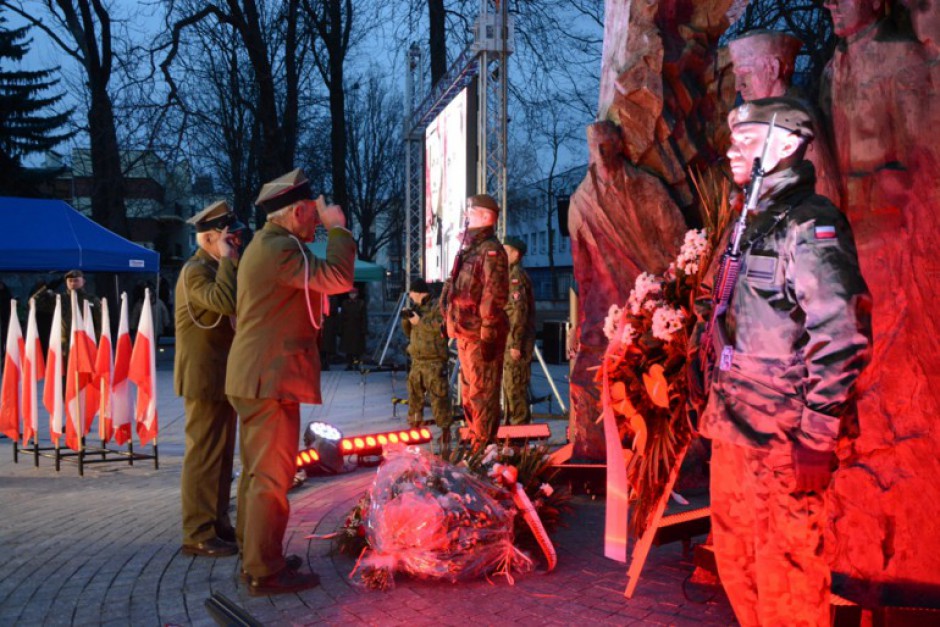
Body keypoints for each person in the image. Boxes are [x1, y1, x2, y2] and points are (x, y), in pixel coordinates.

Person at [697, 97, 872, 627]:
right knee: (739, 568)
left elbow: (842, 333)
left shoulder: (810, 224)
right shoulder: (749, 222)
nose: (731, 151)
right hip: (736, 430)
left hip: (785, 437)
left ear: (786, 144)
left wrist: (817, 437)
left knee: (790, 582)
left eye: (744, 141)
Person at [225, 168, 355, 596]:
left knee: (257, 475)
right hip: (269, 380)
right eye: (312, 215)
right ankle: (264, 570)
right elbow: (337, 277)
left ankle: (257, 556)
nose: (316, 221)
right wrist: (339, 230)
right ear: (296, 210)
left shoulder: (272, 246)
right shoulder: (281, 249)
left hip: (258, 377)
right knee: (271, 478)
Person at [175, 200, 244, 558]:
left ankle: (217, 523)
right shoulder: (196, 270)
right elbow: (226, 301)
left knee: (220, 456)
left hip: (218, 375)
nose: (236, 244)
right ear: (210, 238)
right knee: (203, 456)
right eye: (230, 239)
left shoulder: (211, 266)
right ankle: (197, 531)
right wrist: (229, 261)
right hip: (203, 377)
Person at [728, 29, 842, 206]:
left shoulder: (799, 124)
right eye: (736, 75)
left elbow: (824, 195)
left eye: (746, 73)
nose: (738, 85)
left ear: (773, 68)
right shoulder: (761, 119)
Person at [441, 194, 508, 446]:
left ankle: (485, 448)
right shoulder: (471, 250)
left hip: (480, 336)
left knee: (483, 394)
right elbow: (457, 290)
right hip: (466, 334)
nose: (466, 216)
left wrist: (488, 332)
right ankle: (477, 443)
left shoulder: (491, 251)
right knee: (469, 394)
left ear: (485, 216)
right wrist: (448, 320)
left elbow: (493, 295)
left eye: (471, 211)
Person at [401, 278, 451, 445]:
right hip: (417, 361)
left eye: (412, 293)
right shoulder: (416, 308)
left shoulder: (438, 306)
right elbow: (409, 333)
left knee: (439, 399)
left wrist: (420, 322)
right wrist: (406, 319)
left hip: (434, 361)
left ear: (419, 292)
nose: (411, 296)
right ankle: (414, 427)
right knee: (414, 398)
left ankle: (445, 431)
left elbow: (442, 327)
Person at [501, 236, 536, 425]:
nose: (502, 255)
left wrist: (516, 343)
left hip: (516, 343)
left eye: (506, 251)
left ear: (515, 254)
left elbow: (519, 312)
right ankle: (511, 433)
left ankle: (518, 434)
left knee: (515, 388)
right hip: (509, 340)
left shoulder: (516, 277)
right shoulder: (509, 275)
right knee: (509, 387)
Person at [61, 269, 100, 358]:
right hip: (66, 343)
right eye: (70, 281)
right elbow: (35, 301)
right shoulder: (60, 299)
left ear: (83, 281)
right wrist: (48, 287)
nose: (73, 283)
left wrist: (96, 340)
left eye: (76, 280)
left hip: (87, 340)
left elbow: (99, 323)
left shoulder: (92, 299)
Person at [339, 287, 366, 370]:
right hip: (347, 329)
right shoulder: (345, 303)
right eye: (351, 294)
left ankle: (356, 364)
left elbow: (364, 317)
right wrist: (340, 329)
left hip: (357, 329)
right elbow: (342, 317)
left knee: (357, 349)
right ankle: (349, 364)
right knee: (348, 349)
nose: (352, 295)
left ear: (357, 294)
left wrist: (364, 329)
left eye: (354, 294)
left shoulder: (361, 303)